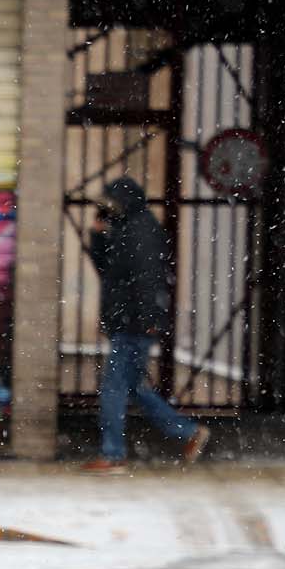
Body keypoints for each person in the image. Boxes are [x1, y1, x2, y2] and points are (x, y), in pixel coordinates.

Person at [81, 176, 209, 474]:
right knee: (135, 388)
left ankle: (113, 455)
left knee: (113, 388)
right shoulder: (127, 228)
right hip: (128, 321)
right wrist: (99, 235)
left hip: (133, 324)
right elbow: (108, 271)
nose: (109, 209)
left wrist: (148, 319)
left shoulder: (141, 231)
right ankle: (188, 432)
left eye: (112, 203)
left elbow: (148, 278)